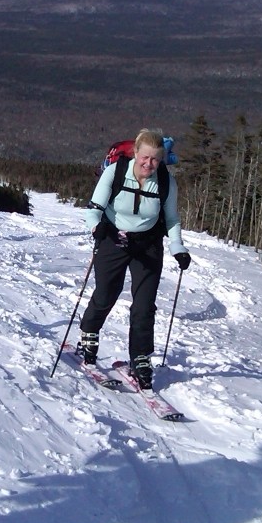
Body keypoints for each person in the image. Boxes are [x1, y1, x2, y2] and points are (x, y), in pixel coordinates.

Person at [75, 128, 190, 389]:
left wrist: (178, 247)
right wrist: (97, 227)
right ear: (135, 153)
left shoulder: (165, 181)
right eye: (145, 158)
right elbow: (94, 209)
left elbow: (171, 219)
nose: (149, 164)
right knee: (106, 293)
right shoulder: (115, 172)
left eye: (155, 160)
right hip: (113, 238)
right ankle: (88, 335)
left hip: (147, 244)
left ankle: (140, 356)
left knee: (144, 304)